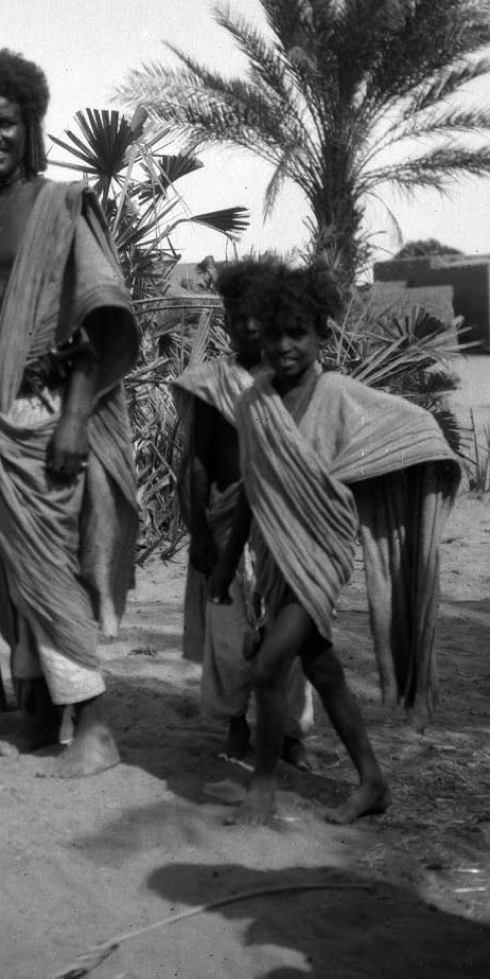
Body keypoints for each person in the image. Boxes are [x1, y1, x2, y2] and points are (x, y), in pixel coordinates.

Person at [0, 49, 139, 777]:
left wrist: (76, 420)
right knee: (14, 569)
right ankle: (46, 708)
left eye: (7, 124)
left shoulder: (61, 207)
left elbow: (97, 316)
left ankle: (95, 726)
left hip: (49, 411)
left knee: (51, 566)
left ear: (30, 128)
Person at [208, 261, 461, 826]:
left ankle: (264, 788)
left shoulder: (341, 394)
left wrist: (406, 473)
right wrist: (228, 561)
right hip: (275, 555)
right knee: (322, 670)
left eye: (298, 332)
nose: (284, 345)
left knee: (270, 667)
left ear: (321, 332)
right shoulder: (254, 403)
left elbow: (413, 425)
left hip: (321, 555)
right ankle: (373, 780)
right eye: (273, 333)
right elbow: (253, 484)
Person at [173, 259, 313, 765]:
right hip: (226, 519)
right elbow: (199, 461)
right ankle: (234, 722)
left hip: (284, 528)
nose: (248, 326)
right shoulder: (212, 383)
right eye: (236, 316)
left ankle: (291, 734)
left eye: (257, 314)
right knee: (229, 637)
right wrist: (199, 534)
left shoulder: (296, 378)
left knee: (289, 633)